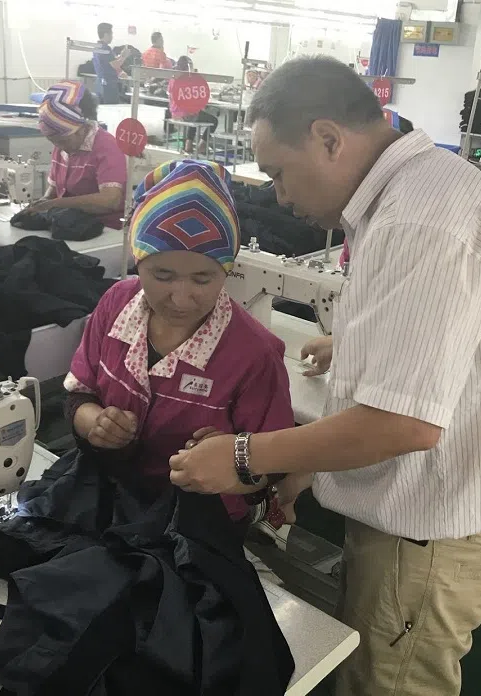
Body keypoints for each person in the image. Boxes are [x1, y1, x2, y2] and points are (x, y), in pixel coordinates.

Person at [166, 56, 481, 696]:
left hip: (426, 538)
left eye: (279, 174)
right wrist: (314, 449)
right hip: (430, 527)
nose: (281, 197)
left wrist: (244, 455)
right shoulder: (421, 193)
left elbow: (404, 423)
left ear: (327, 138)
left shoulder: (418, 222)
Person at [64, 159, 293, 532]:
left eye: (203, 278)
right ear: (138, 262)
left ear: (227, 268)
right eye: (162, 275)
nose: (181, 299)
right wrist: (95, 423)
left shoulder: (255, 355)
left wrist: (235, 457)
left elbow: (275, 463)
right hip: (110, 495)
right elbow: (78, 394)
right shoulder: (115, 303)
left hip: (196, 526)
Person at [23, 81, 126, 229]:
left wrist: (53, 205)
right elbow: (53, 192)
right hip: (68, 225)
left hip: (105, 230)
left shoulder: (107, 147)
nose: (58, 146)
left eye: (62, 140)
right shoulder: (62, 146)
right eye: (53, 141)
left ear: (81, 128)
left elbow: (110, 200)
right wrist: (42, 203)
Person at [168, 55, 218, 154]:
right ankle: (202, 145)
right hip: (185, 114)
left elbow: (170, 96)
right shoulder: (188, 79)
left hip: (174, 113)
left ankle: (188, 144)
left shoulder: (173, 78)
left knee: (196, 114)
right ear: (187, 67)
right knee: (213, 120)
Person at [92, 23, 129, 105]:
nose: (112, 36)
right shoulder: (105, 48)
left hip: (100, 83)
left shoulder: (97, 46)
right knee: (111, 109)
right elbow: (115, 65)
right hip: (108, 84)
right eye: (111, 34)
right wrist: (124, 57)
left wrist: (121, 56)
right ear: (106, 34)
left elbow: (110, 61)